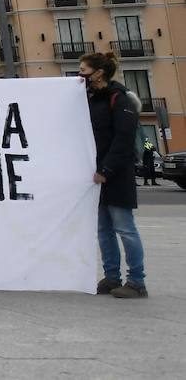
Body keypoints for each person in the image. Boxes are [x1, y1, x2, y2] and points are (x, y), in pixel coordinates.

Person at [82, 51, 149, 299]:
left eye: (83, 71)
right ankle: (112, 277)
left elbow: (123, 139)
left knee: (125, 228)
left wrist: (106, 170)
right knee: (104, 229)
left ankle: (137, 281)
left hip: (116, 175)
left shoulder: (120, 100)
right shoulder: (91, 100)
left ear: (98, 73)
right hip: (98, 176)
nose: (80, 76)